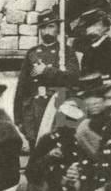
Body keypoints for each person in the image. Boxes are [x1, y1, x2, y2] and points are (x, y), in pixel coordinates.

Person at [13, 8, 80, 144]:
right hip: (34, 112)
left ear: (58, 29)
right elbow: (22, 87)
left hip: (57, 108)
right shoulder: (32, 54)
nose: (46, 31)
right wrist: (18, 118)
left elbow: (73, 78)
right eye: (43, 27)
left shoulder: (66, 52)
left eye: (51, 26)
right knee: (36, 147)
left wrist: (46, 71)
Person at [72, 8, 111, 79]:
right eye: (87, 25)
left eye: (93, 24)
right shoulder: (88, 47)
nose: (88, 28)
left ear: (105, 27)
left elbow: (106, 72)